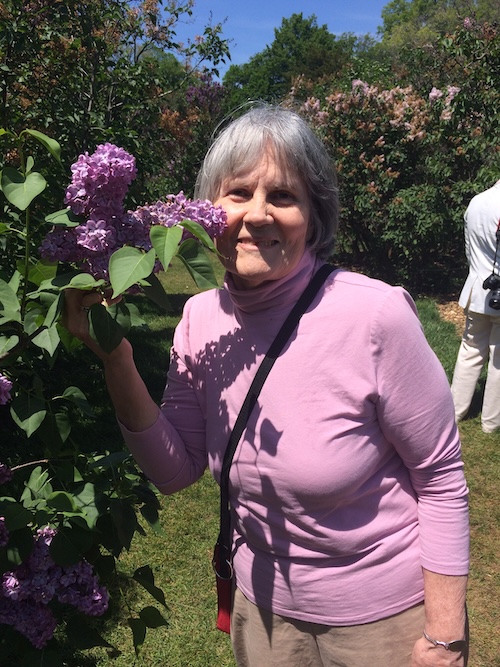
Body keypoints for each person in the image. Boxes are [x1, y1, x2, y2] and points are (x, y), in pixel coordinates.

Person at [64, 105, 469, 667]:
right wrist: (116, 360)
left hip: (382, 622)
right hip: (263, 613)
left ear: (313, 215)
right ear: (208, 212)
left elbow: (441, 478)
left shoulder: (375, 316)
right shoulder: (199, 319)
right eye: (238, 193)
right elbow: (174, 472)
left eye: (282, 195)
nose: (257, 214)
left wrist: (445, 637)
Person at [451, 179, 500, 433]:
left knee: (470, 350)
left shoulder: (477, 201)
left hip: (477, 287)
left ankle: (454, 411)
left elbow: (470, 249)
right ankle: (491, 423)